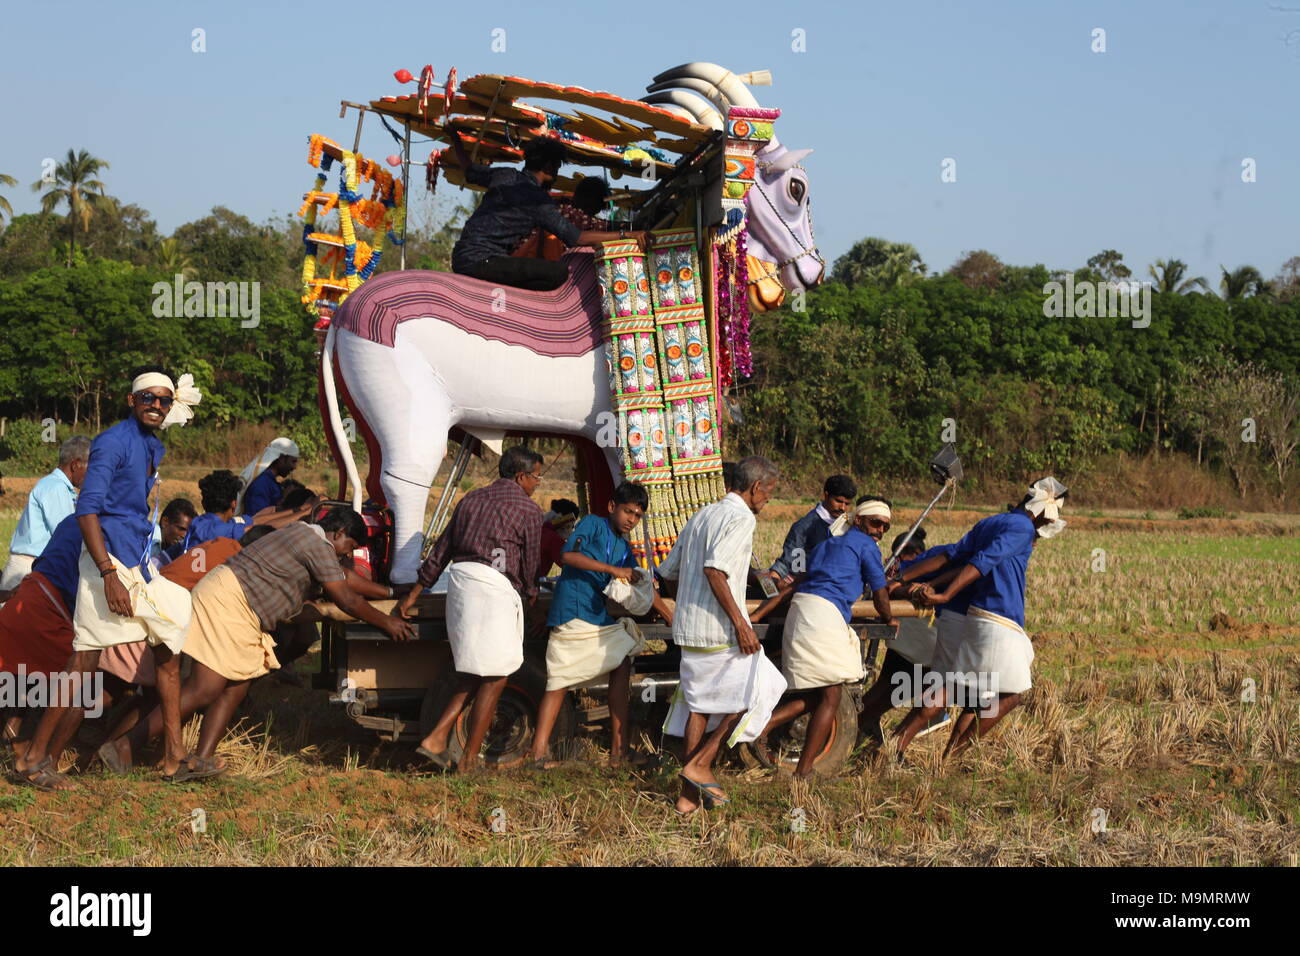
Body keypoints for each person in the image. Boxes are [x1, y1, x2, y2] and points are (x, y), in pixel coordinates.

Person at [111, 510, 413, 781]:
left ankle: (201, 759)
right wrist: (387, 622)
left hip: (235, 602)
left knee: (238, 683)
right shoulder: (317, 544)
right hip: (230, 603)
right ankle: (126, 744)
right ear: (338, 534)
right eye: (349, 547)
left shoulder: (305, 535)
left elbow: (344, 578)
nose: (348, 554)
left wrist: (389, 590)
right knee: (203, 688)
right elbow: (346, 597)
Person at [11, 368, 201, 790]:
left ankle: (174, 756)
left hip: (135, 559)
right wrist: (108, 574)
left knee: (171, 633)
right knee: (84, 659)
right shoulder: (114, 443)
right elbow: (87, 510)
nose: (156, 405)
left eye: (164, 400)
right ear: (132, 401)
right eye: (147, 398)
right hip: (109, 561)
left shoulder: (152, 446)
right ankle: (35, 760)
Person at [894, 477, 1068, 759]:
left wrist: (906, 577)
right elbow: (984, 560)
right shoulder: (1022, 528)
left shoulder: (993, 522)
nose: (1038, 534)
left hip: (971, 615)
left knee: (957, 688)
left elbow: (953, 556)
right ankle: (952, 756)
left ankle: (897, 745)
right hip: (998, 616)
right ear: (1040, 513)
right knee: (1010, 695)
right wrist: (946, 593)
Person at [397, 446, 546, 773]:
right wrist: (533, 600)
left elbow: (440, 551)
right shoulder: (529, 510)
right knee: (496, 676)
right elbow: (530, 566)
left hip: (461, 585)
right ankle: (468, 761)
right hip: (494, 592)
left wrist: (413, 595)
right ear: (521, 476)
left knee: (473, 672)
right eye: (536, 477)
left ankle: (436, 739)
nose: (538, 483)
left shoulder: (471, 500)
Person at [656, 456, 788, 815]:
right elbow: (716, 571)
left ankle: (687, 796)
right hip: (721, 630)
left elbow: (668, 572)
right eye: (769, 492)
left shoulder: (702, 515)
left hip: (690, 630)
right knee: (760, 689)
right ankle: (701, 763)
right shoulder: (741, 517)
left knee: (699, 706)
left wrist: (687, 603)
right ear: (756, 487)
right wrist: (742, 626)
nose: (768, 500)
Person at [95, 523, 280, 770]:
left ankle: (117, 751)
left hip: (151, 603)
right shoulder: (238, 566)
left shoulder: (222, 544)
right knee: (153, 699)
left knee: (145, 697)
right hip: (159, 617)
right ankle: (110, 751)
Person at [530, 481, 674, 769]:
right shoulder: (593, 525)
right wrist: (612, 570)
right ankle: (538, 754)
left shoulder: (622, 545)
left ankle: (618, 753)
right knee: (558, 680)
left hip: (595, 615)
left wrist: (670, 615)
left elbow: (640, 581)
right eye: (627, 512)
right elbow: (568, 556)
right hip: (572, 608)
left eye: (637, 515)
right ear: (612, 507)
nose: (631, 520)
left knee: (622, 661)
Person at [757, 498, 895, 777]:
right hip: (823, 614)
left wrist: (759, 614)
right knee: (831, 696)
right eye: (875, 523)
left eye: (885, 527)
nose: (879, 531)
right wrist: (889, 618)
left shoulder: (826, 545)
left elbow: (797, 582)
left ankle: (761, 726)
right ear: (858, 520)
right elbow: (880, 594)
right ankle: (803, 771)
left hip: (801, 610)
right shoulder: (866, 546)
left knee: (818, 694)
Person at [449, 132, 650, 291]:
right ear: (549, 167)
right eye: (557, 166)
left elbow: (469, 171)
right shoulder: (538, 199)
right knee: (559, 272)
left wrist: (455, 139)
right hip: (483, 261)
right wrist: (628, 234)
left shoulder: (504, 175)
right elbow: (576, 238)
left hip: (462, 255)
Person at [856, 528, 958, 746]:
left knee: (890, 685)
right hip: (921, 634)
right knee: (915, 685)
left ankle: (860, 722)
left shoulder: (912, 563)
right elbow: (899, 589)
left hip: (906, 632)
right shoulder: (949, 556)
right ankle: (881, 735)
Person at [0, 436, 91, 590]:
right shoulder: (56, 488)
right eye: (91, 467)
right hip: (27, 569)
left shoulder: (56, 486)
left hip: (30, 567)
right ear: (75, 465)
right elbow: (67, 537)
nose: (92, 474)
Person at [181, 469, 308, 552]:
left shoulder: (200, 522)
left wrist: (299, 510)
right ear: (234, 504)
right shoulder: (222, 530)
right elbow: (262, 528)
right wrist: (305, 513)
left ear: (203, 503)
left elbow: (255, 521)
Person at [768, 475, 856, 586]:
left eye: (847, 504)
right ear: (826, 495)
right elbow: (790, 564)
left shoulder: (850, 524)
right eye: (838, 501)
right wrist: (772, 581)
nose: (842, 508)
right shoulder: (805, 526)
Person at [512, 176, 613, 261]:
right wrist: (623, 232)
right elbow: (594, 224)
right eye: (596, 206)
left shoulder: (563, 207)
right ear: (589, 198)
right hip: (527, 261)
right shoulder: (566, 210)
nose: (595, 211)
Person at [239, 438, 300, 516]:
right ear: (281, 459)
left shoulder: (269, 481)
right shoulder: (261, 483)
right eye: (293, 462)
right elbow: (258, 518)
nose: (294, 467)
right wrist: (284, 499)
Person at [538, 498, 580, 577]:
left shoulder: (541, 528)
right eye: (571, 526)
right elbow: (572, 567)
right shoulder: (553, 538)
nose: (571, 529)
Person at [153, 497, 197, 566]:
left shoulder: (176, 550)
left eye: (188, 532)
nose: (184, 535)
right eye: (181, 529)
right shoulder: (149, 540)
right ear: (165, 522)